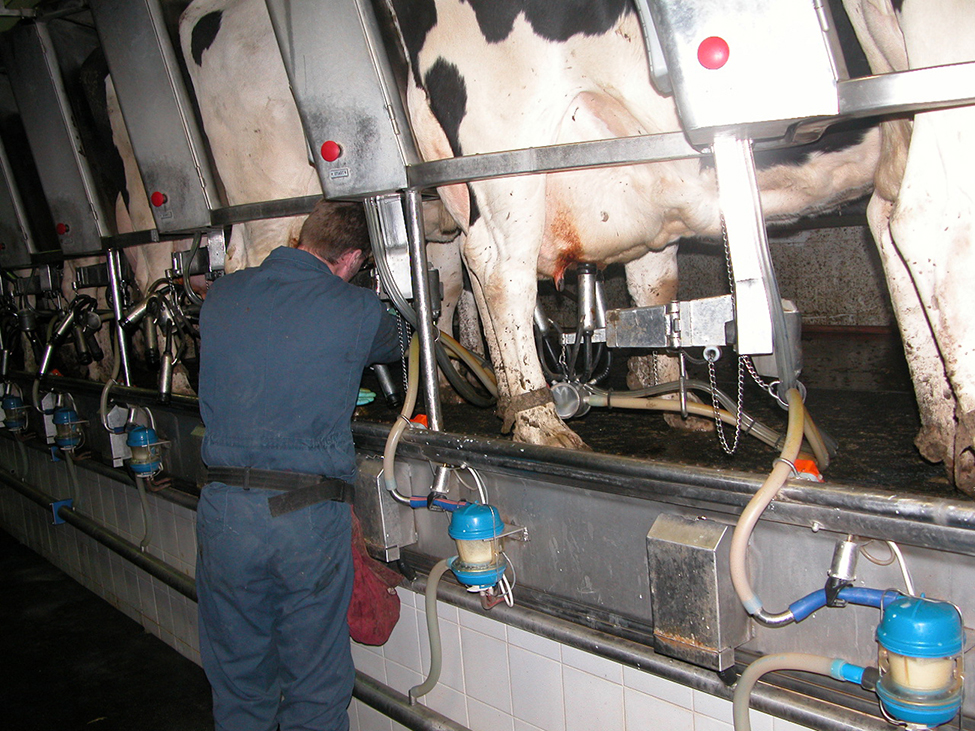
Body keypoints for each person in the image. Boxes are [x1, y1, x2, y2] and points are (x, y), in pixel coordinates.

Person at [196, 198, 400, 731]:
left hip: (225, 514)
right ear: (353, 258)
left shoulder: (222, 296)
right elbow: (402, 338)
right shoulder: (354, 308)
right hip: (305, 515)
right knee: (314, 686)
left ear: (299, 238)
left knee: (240, 683)